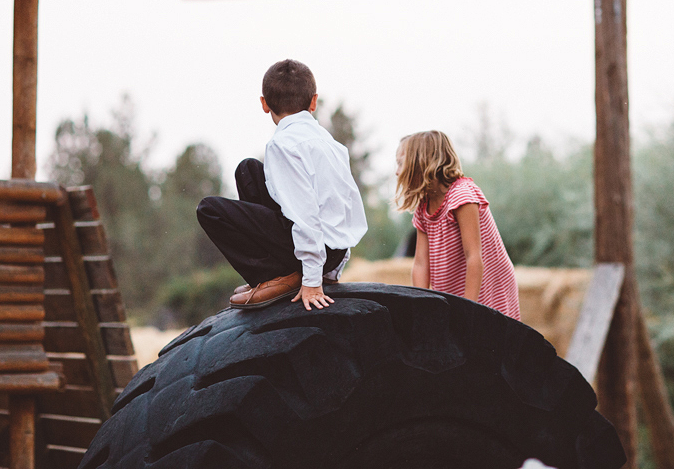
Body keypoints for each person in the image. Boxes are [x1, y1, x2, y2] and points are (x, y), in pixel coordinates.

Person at [197, 59, 367, 311]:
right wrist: (333, 269)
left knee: (208, 208)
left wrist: (312, 280)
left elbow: (305, 213)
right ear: (314, 101)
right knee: (248, 170)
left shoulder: (283, 145)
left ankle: (276, 276)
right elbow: (343, 205)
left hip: (315, 248)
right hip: (334, 249)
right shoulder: (330, 143)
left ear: (264, 104)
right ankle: (283, 272)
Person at [395, 130, 520, 320]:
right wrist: (419, 307)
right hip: (454, 291)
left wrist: (467, 310)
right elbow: (421, 263)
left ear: (421, 162)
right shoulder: (424, 206)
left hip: (486, 290)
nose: (397, 171)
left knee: (487, 339)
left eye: (401, 163)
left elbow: (474, 257)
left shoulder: (462, 196)